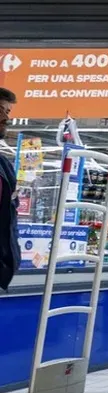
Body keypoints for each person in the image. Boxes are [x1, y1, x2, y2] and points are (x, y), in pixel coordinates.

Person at [0, 88, 20, 292]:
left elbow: (10, 216)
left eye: (8, 112)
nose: (6, 118)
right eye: (1, 111)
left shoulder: (4, 166)